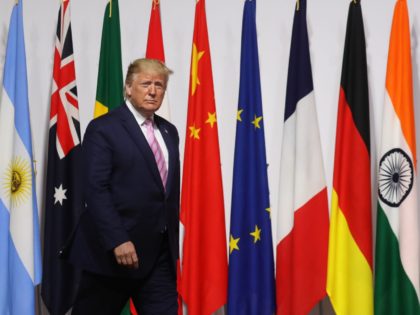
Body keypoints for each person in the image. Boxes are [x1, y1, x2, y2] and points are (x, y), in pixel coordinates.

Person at [68, 58, 180, 314]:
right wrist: (118, 239)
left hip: (158, 257)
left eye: (159, 85)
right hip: (112, 256)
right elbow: (96, 189)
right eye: (145, 84)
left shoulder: (169, 132)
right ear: (128, 88)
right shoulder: (103, 128)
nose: (153, 91)